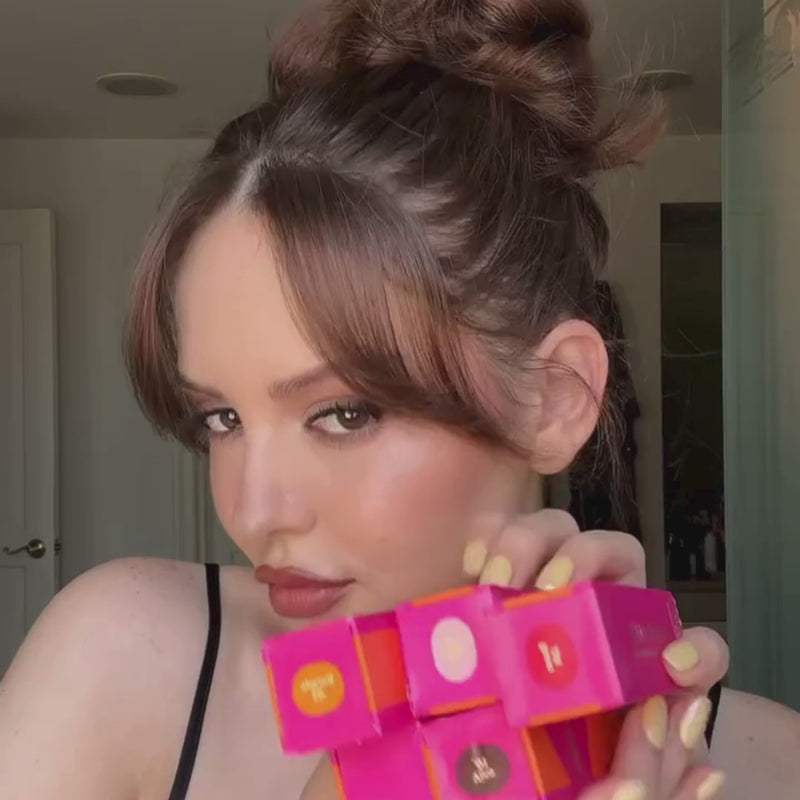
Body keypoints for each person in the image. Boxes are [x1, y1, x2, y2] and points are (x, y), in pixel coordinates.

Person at [0, 0, 797, 798]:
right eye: (223, 418)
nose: (254, 511)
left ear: (554, 398)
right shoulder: (122, 662)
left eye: (343, 414)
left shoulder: (763, 764)